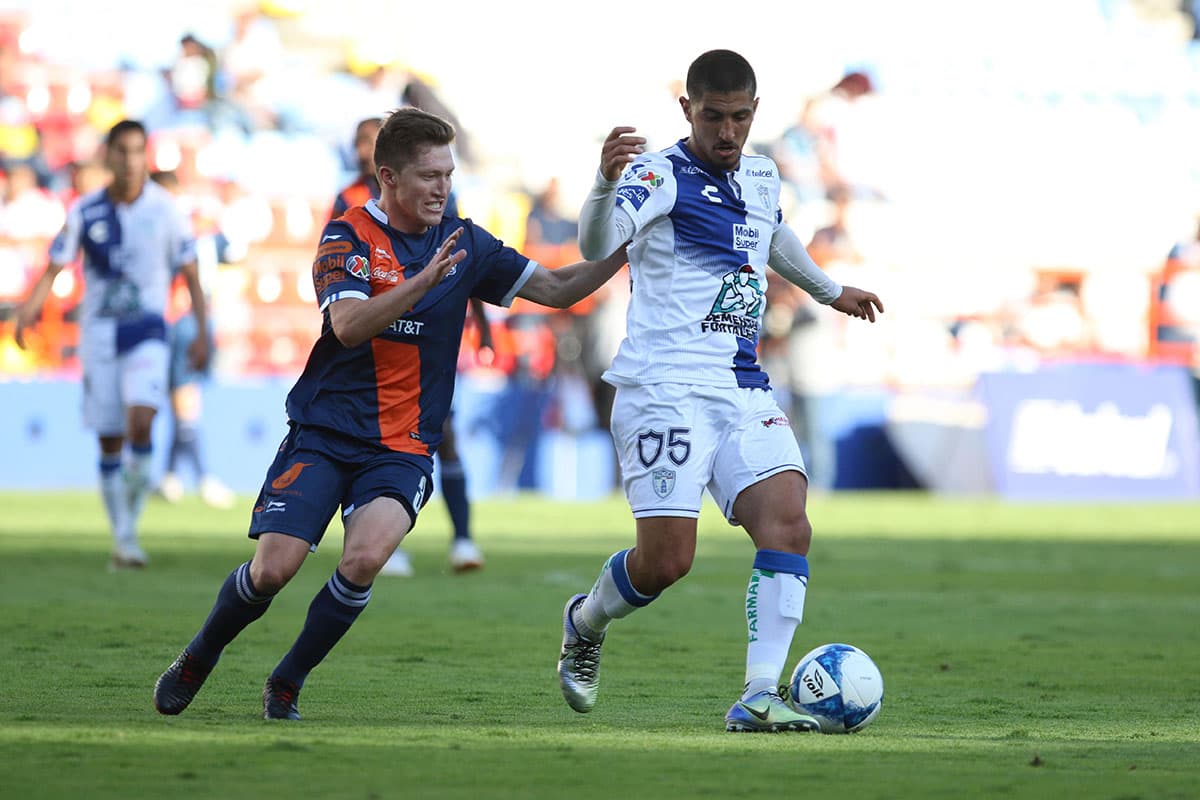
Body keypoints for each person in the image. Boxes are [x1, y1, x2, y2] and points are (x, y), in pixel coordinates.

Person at [152, 106, 629, 721]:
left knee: (364, 559)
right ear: (388, 176)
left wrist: (629, 244)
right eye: (429, 175)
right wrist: (424, 282)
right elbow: (347, 326)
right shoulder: (345, 235)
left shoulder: (464, 242)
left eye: (448, 174)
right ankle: (200, 654)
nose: (442, 188)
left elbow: (560, 289)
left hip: (402, 444)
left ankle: (287, 681)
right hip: (324, 433)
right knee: (273, 571)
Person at [558, 50, 884, 733]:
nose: (727, 133)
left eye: (739, 117)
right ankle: (585, 621)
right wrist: (602, 182)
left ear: (755, 112)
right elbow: (596, 245)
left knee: (789, 522)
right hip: (662, 390)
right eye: (712, 118)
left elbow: (774, 238)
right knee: (667, 562)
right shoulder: (656, 174)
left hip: (740, 384)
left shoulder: (762, 174)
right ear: (688, 110)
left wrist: (830, 292)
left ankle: (758, 694)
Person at [14, 119, 209, 568]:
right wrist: (28, 310)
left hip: (147, 331)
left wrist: (199, 330)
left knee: (142, 421)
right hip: (99, 333)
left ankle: (128, 529)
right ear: (109, 156)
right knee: (110, 440)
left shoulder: (166, 210)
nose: (129, 160)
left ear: (146, 156)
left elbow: (192, 274)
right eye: (121, 151)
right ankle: (122, 534)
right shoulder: (86, 210)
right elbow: (55, 264)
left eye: (137, 151)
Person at [331, 116, 485, 576]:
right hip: (369, 347)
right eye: (359, 140)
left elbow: (462, 265)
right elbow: (335, 273)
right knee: (363, 444)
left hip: (424, 345)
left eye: (369, 140)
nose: (363, 148)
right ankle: (380, 543)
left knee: (444, 436)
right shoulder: (346, 205)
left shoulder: (434, 196)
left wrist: (484, 326)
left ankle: (462, 538)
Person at [149, 169, 235, 509]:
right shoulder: (204, 223)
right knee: (180, 401)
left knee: (184, 401)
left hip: (177, 317)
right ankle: (171, 476)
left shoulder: (168, 225)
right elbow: (230, 252)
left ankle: (203, 478)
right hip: (195, 317)